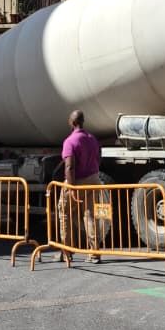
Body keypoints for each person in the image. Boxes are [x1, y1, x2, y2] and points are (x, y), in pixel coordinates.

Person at [60, 109, 104, 260]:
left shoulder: (70, 141)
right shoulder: (92, 138)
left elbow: (69, 167)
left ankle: (67, 251)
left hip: (77, 181)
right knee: (91, 216)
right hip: (93, 179)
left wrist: (71, 188)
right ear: (83, 122)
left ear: (72, 123)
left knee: (65, 214)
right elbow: (98, 158)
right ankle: (94, 253)